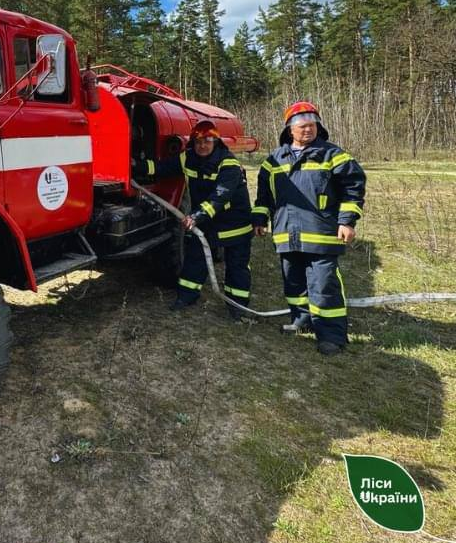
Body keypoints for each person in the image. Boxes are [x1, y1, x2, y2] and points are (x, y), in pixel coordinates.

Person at [252, 101, 366, 356]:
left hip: (322, 233)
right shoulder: (273, 161)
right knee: (293, 282)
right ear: (289, 130)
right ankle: (302, 320)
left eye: (312, 126)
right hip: (286, 233)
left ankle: (331, 336)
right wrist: (259, 219)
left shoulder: (333, 155)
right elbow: (263, 196)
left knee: (323, 284)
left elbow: (353, 188)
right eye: (303, 126)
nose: (308, 130)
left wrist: (346, 221)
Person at [145, 119, 254, 319]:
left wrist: (197, 215)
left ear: (216, 142)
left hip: (234, 223)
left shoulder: (228, 163)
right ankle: (186, 296)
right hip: (207, 221)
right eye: (198, 142)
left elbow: (220, 195)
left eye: (207, 141)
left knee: (237, 266)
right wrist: (138, 166)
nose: (202, 146)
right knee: (195, 260)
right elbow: (162, 167)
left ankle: (238, 307)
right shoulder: (188, 158)